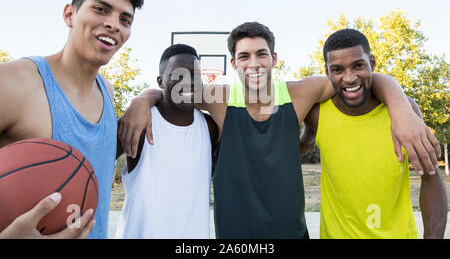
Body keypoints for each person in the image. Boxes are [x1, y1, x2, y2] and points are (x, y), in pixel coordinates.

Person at [119, 22, 441, 238]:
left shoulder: (301, 92)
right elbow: (176, 91)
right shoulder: (218, 98)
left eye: (261, 54)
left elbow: (357, 79)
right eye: (244, 56)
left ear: (273, 58)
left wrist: (399, 103)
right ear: (234, 64)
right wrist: (141, 99)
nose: (254, 63)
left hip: (291, 233)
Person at [0, 0, 144, 239]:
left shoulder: (108, 92)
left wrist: (145, 98)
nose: (114, 24)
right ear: (69, 14)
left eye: (125, 20)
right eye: (100, 9)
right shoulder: (12, 83)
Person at [299, 28, 447, 239]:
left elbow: (431, 180)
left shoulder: (405, 112)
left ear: (373, 64)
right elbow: (304, 144)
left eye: (358, 65)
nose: (349, 78)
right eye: (338, 69)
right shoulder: (316, 113)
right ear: (327, 72)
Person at [115, 44, 218, 239]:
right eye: (178, 75)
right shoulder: (136, 123)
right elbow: (89, 166)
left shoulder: (210, 127)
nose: (187, 82)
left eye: (194, 75)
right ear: (161, 81)